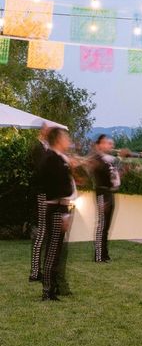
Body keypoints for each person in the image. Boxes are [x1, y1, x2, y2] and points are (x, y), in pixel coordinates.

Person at [38, 127, 76, 301]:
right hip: (55, 208)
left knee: (56, 249)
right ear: (58, 140)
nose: (68, 140)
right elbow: (60, 186)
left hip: (61, 207)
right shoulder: (52, 159)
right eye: (65, 137)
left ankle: (52, 288)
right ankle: (48, 291)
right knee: (53, 250)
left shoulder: (59, 158)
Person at [88, 134, 121, 263]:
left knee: (106, 225)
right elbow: (98, 171)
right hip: (102, 192)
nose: (109, 145)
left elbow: (113, 175)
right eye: (106, 143)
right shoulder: (97, 158)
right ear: (99, 145)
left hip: (109, 192)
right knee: (102, 224)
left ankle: (104, 254)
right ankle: (98, 255)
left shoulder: (108, 159)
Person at [28, 124, 50, 282]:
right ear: (43, 131)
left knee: (45, 232)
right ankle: (35, 272)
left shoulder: (46, 148)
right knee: (41, 232)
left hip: (47, 192)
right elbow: (41, 170)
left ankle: (39, 270)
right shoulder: (38, 149)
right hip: (42, 192)